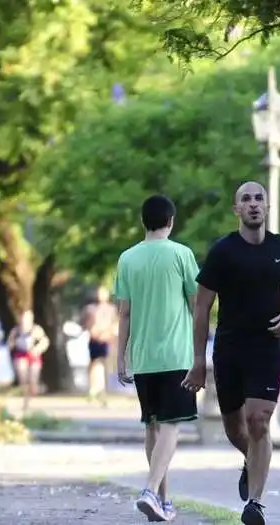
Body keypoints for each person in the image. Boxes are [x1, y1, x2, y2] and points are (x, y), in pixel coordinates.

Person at [183, 181, 280, 525]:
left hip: (267, 348)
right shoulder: (223, 251)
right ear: (237, 209)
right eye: (246, 199)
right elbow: (202, 308)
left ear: (267, 207)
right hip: (229, 350)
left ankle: (255, 503)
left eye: (259, 198)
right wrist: (197, 361)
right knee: (236, 430)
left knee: (259, 422)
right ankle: (251, 463)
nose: (253, 204)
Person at [115, 195, 200, 522]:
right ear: (171, 221)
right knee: (170, 426)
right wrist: (201, 352)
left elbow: (124, 314)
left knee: (152, 427)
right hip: (176, 355)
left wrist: (121, 356)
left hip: (143, 358)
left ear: (143, 221)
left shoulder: (127, 259)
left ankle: (162, 502)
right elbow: (198, 305)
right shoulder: (181, 254)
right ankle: (150, 490)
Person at [7, 310, 50, 413]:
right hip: (21, 355)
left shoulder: (36, 330)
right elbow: (10, 343)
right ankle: (26, 401)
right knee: (23, 378)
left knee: (33, 380)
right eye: (23, 318)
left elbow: (45, 341)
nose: (24, 321)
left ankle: (33, 396)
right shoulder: (16, 331)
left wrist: (37, 349)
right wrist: (13, 344)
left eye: (27, 319)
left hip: (33, 355)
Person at [84, 286, 118, 400]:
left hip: (106, 339)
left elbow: (114, 324)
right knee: (94, 362)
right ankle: (94, 387)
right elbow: (87, 324)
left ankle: (101, 388)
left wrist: (108, 334)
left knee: (102, 362)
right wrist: (94, 332)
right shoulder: (90, 309)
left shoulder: (111, 309)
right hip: (94, 339)